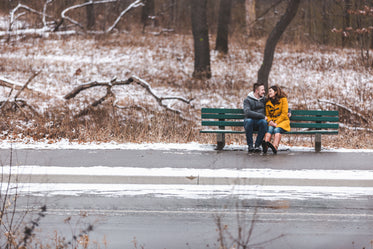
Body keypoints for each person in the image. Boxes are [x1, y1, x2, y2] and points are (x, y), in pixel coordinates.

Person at [263, 85, 290, 154]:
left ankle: (275, 147)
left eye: (270, 91)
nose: (269, 93)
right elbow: (267, 115)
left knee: (276, 129)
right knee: (269, 129)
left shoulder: (283, 99)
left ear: (275, 92)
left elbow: (284, 114)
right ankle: (265, 146)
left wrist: (276, 123)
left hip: (282, 121)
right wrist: (270, 121)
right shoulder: (267, 102)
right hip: (272, 121)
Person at [243, 83, 267, 152]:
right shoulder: (247, 100)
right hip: (249, 122)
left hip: (259, 122)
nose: (264, 92)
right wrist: (262, 116)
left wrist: (288, 110)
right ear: (257, 91)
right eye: (262, 90)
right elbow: (247, 112)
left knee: (264, 122)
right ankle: (250, 146)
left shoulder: (264, 99)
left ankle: (257, 145)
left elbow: (277, 102)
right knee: (249, 121)